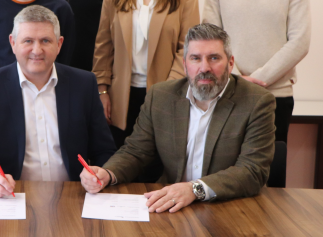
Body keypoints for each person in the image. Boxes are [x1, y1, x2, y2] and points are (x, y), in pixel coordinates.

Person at [81, 24, 276, 213]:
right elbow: (136, 151)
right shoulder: (161, 96)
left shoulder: (257, 102)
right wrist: (107, 173)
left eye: (214, 58)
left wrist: (194, 189)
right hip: (172, 207)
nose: (204, 67)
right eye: (195, 58)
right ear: (184, 64)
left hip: (230, 208)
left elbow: (252, 171)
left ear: (231, 63)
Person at [0, 5, 116, 197]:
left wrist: (102, 173)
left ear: (59, 44)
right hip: (13, 196)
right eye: (28, 41)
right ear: (13, 43)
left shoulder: (83, 84)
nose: (37, 50)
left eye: (45, 40)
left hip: (73, 196)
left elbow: (104, 150)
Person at [203, 0, 311, 151]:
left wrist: (257, 80)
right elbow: (211, 39)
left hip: (276, 96)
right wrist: (238, 79)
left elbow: (300, 40)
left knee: (270, 173)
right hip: (228, 93)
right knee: (226, 172)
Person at [93, 0, 200, 153]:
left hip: (165, 95)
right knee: (120, 163)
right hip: (122, 96)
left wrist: (166, 92)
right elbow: (104, 45)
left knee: (156, 167)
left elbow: (188, 49)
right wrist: (102, 90)